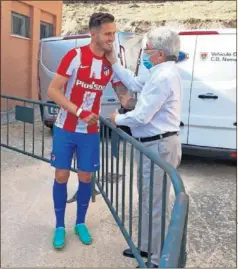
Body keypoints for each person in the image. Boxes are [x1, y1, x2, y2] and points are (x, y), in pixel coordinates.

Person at [105, 27, 182, 267]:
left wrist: (118, 119)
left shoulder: (163, 77)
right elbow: (134, 83)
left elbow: (141, 117)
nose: (144, 55)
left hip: (159, 144)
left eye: (147, 50)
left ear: (159, 54)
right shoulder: (158, 71)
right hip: (152, 145)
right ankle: (147, 248)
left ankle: (157, 260)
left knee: (155, 203)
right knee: (148, 199)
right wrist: (114, 62)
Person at [48, 12, 120, 249]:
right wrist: (78, 112)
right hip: (66, 127)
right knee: (61, 175)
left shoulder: (110, 63)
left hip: (90, 132)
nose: (112, 37)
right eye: (108, 33)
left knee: (86, 176)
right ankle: (59, 225)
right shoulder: (75, 56)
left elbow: (124, 94)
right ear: (93, 33)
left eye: (113, 33)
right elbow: (53, 91)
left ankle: (80, 223)